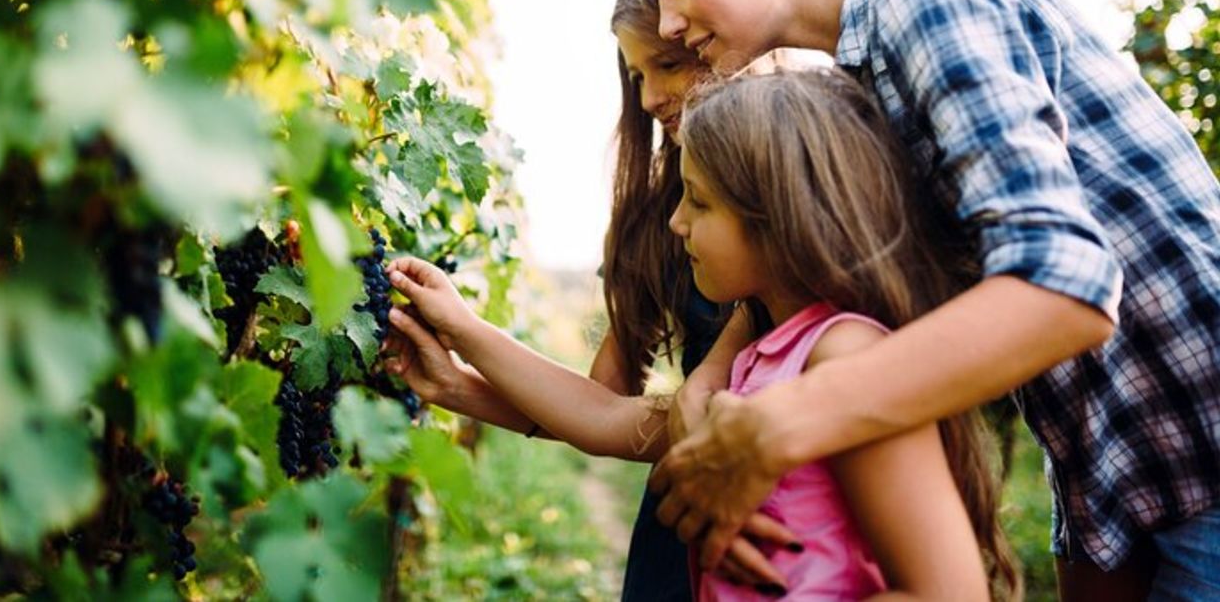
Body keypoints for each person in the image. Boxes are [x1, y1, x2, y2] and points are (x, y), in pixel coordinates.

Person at [634, 0, 1220, 600]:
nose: (668, 22)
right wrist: (705, 392)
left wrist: (778, 426)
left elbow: (1067, 282)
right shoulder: (862, 77)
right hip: (1115, 469)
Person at [392, 68, 1019, 600]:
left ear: (776, 217)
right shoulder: (758, 357)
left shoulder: (844, 356)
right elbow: (606, 417)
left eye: (698, 201)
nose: (675, 221)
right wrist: (462, 340)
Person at [381, 0, 795, 597]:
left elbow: (660, 420)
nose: (652, 97)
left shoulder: (809, 224)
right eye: (636, 77)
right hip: (679, 532)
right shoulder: (660, 215)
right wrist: (456, 385)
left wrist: (470, 341)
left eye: (671, 65)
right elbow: (605, 406)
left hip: (778, 539)